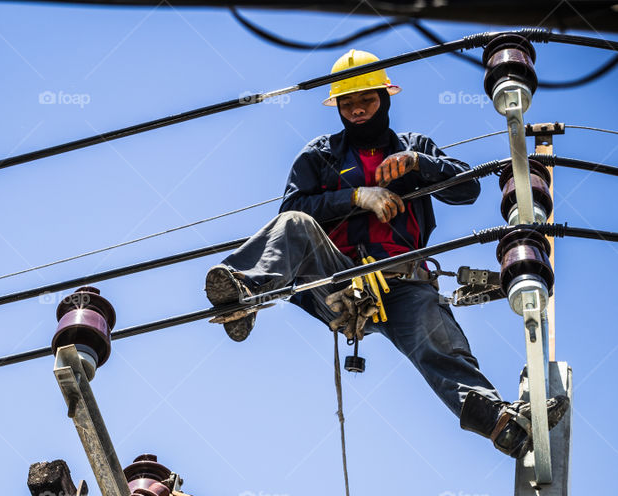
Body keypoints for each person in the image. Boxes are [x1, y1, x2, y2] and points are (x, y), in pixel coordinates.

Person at [204, 49, 566, 460]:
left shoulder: (414, 147)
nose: (357, 111)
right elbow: (292, 211)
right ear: (337, 106)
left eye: (366, 101)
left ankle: (501, 425)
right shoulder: (321, 156)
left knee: (440, 342)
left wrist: (419, 164)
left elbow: (467, 189)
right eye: (348, 103)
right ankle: (244, 292)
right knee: (294, 227)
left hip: (403, 283)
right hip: (338, 279)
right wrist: (357, 196)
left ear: (385, 99)